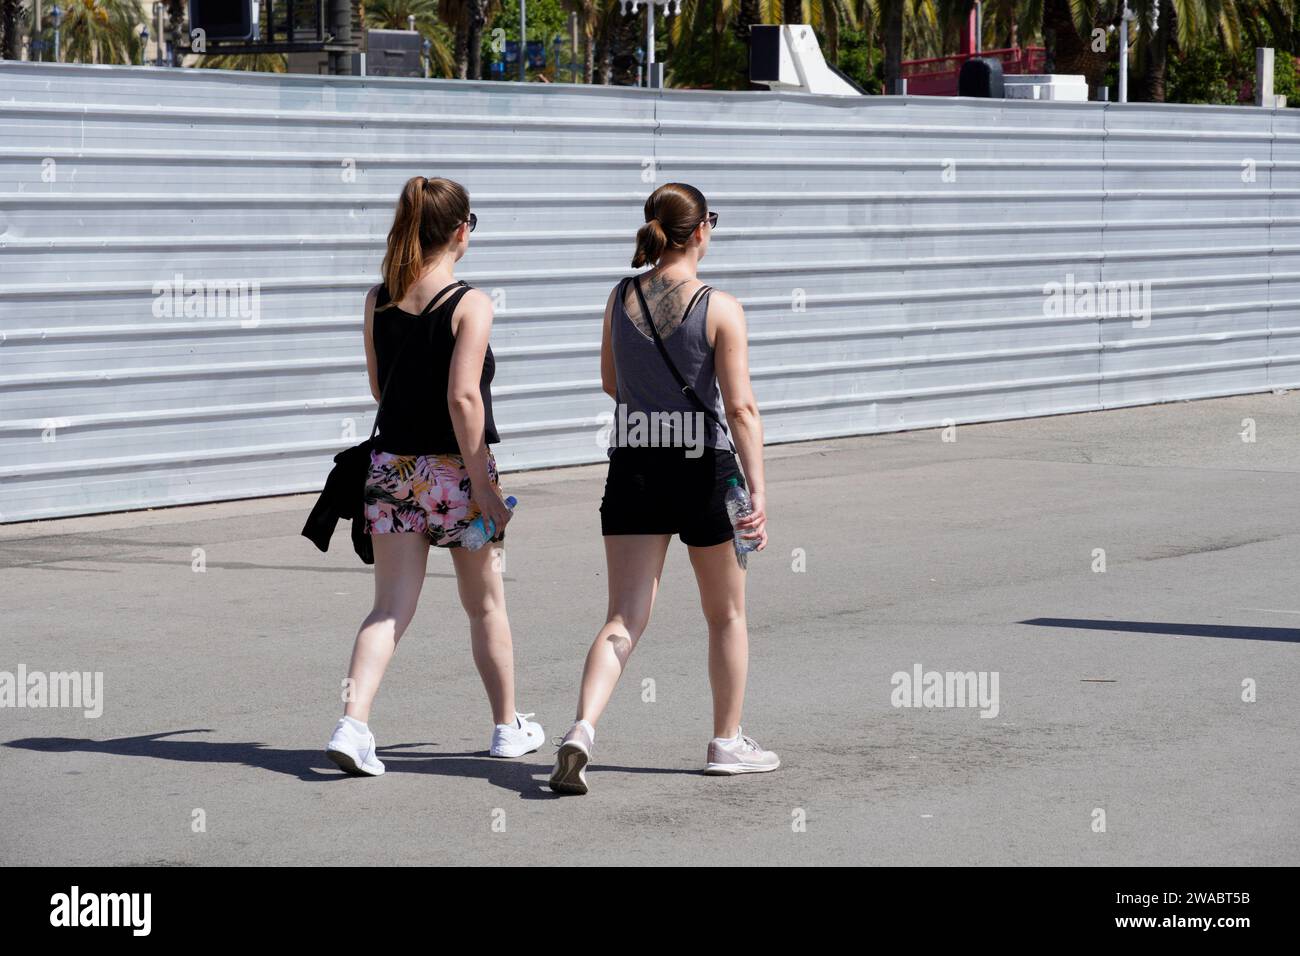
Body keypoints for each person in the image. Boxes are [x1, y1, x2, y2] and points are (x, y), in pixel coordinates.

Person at [549, 183, 778, 795]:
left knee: (623, 618)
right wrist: (757, 490)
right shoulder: (719, 306)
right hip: (705, 471)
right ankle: (726, 742)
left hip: (634, 468)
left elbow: (609, 381)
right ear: (700, 229)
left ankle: (581, 730)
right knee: (726, 613)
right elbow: (742, 408)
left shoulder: (619, 296)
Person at [325, 176, 542, 776]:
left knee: (389, 609)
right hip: (456, 472)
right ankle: (506, 727)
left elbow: (378, 388)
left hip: (391, 467)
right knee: (485, 605)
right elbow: (463, 398)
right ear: (459, 230)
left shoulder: (378, 298)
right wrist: (483, 485)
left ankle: (354, 724)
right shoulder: (471, 303)